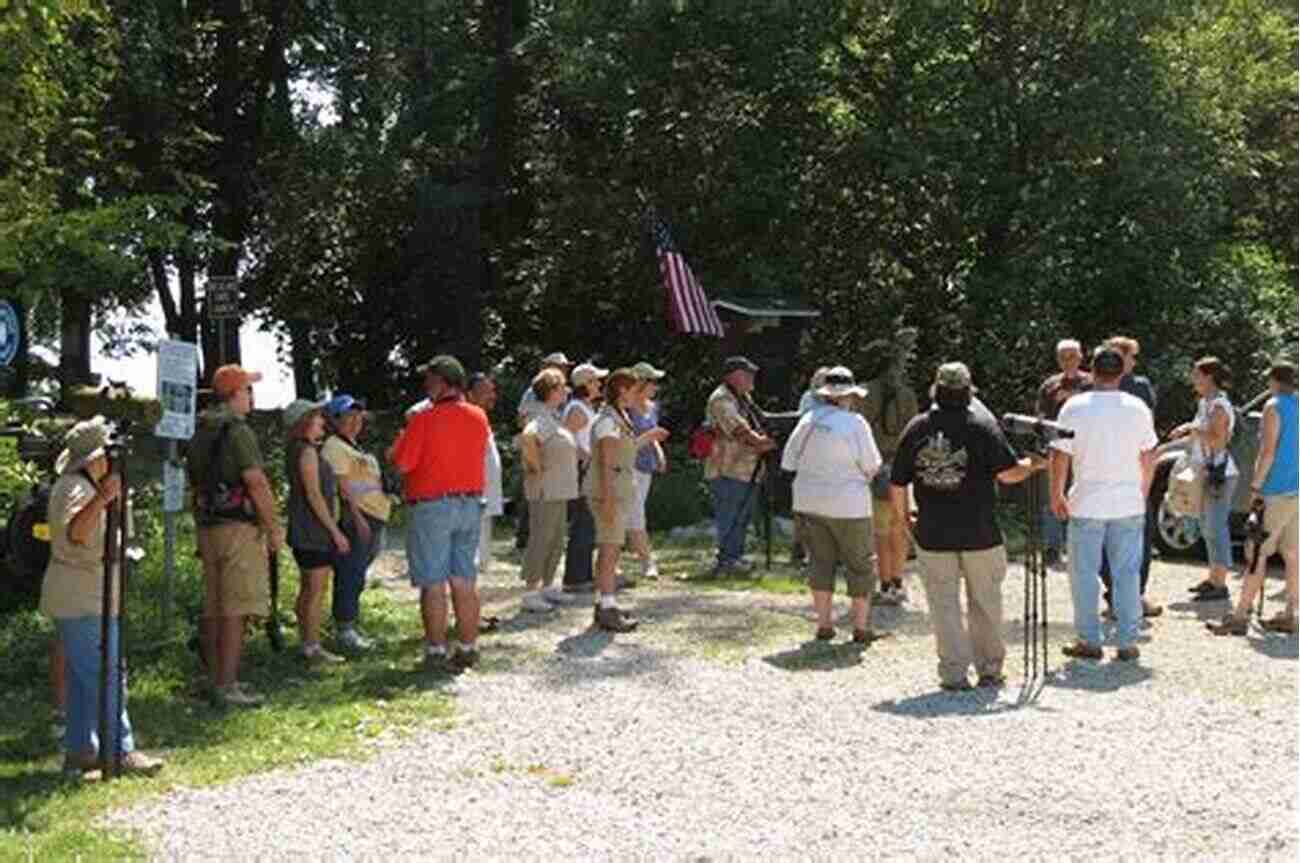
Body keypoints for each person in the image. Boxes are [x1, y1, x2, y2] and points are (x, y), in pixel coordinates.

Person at [891, 363, 1045, 690]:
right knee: (986, 603)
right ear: (968, 390)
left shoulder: (916, 428)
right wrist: (1033, 465)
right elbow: (1008, 474)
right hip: (980, 533)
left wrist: (904, 518)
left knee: (943, 606)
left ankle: (953, 673)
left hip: (932, 532)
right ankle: (989, 670)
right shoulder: (982, 427)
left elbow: (897, 481)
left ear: (935, 389)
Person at [40, 417, 163, 779]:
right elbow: (79, 532)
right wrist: (105, 498)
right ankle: (119, 750)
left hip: (89, 593)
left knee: (84, 678)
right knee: (106, 673)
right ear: (95, 456)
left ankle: (82, 750)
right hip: (81, 596)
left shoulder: (83, 486)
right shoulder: (74, 488)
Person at [1050, 347, 1157, 662]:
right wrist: (1143, 490)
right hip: (1128, 501)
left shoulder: (1074, 406)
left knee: (1083, 574)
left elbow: (1060, 454)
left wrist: (1056, 493)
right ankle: (1127, 640)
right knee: (1127, 573)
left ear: (1092, 371)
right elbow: (1149, 454)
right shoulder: (1137, 407)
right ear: (1122, 372)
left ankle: (1089, 639)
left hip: (1087, 501)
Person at [188, 364, 283, 707]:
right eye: (247, 390)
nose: (251, 396)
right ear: (234, 395)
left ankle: (213, 678)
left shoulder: (200, 430)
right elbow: (256, 482)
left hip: (208, 525)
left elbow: (194, 482)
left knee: (214, 605)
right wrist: (273, 529)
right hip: (238, 527)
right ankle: (227, 686)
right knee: (236, 608)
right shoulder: (238, 431)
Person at [389, 354, 490, 673]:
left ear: (442, 383)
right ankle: (468, 646)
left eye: (429, 379)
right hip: (470, 503)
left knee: (433, 582)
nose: (425, 385)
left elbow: (403, 463)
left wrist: (400, 441)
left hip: (433, 505)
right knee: (464, 579)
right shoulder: (479, 416)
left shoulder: (424, 419)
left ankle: (435, 650)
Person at [780, 367, 882, 643]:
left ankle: (824, 624)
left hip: (809, 501)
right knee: (859, 563)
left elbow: (788, 462)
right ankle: (860, 627)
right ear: (848, 395)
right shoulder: (856, 423)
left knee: (820, 562)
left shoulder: (807, 420)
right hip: (849, 504)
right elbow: (872, 465)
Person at [1208, 361, 1299, 635]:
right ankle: (1289, 614)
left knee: (1256, 553)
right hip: (1298, 490)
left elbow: (1268, 451)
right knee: (1293, 554)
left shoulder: (1273, 407)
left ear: (1274, 381)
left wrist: (1256, 487)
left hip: (1276, 489)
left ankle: (1239, 617)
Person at [586, 368, 669, 631]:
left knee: (609, 549)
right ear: (622, 391)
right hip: (610, 491)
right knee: (610, 551)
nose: (638, 395)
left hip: (618, 489)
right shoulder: (609, 421)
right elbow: (608, 463)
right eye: (634, 390)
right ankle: (608, 608)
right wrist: (609, 499)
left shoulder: (617, 418)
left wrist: (648, 438)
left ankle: (604, 603)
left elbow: (625, 450)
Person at [1163, 356, 1237, 602]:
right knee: (1207, 527)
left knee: (1216, 528)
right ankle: (1213, 578)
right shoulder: (1205, 403)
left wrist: (1192, 430)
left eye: (1196, 374)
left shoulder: (1218, 406)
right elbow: (1201, 436)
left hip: (1218, 475)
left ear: (1208, 377)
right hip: (1206, 472)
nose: (1192, 379)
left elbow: (1218, 440)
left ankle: (1220, 583)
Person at [321, 394, 389, 653]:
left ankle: (349, 625)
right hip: (356, 519)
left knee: (358, 573)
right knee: (350, 573)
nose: (355, 422)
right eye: (348, 417)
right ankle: (345, 630)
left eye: (358, 417)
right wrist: (357, 517)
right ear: (334, 420)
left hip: (373, 516)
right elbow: (343, 486)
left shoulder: (354, 446)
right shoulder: (334, 447)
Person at [1099, 335, 1161, 617]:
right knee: (1138, 537)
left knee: (1103, 537)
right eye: (1132, 356)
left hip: (1100, 472)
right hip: (1132, 473)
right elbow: (1148, 432)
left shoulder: (1090, 388)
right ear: (1122, 357)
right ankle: (1132, 596)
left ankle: (1118, 596)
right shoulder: (1139, 387)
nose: (1134, 362)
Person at [284, 399, 350, 664]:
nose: (323, 421)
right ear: (305, 422)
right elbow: (314, 495)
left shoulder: (297, 449)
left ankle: (306, 642)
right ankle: (312, 648)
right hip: (313, 531)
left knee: (307, 588)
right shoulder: (307, 452)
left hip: (302, 528)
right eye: (317, 417)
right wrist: (335, 531)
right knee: (315, 590)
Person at [859, 331, 920, 605]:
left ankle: (883, 584)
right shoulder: (907, 395)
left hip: (873, 466)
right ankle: (897, 581)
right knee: (900, 525)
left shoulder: (862, 394)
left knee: (879, 530)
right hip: (903, 467)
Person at [703, 356, 777, 576]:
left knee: (742, 516)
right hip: (726, 468)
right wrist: (762, 443)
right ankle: (727, 561)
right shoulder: (721, 399)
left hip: (744, 469)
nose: (752, 378)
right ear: (734, 376)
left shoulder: (743, 397)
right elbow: (738, 429)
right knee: (730, 516)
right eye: (747, 374)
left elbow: (759, 419)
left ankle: (735, 558)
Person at [519, 368, 580, 612]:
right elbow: (527, 438)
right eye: (562, 386)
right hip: (546, 489)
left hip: (559, 489)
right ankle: (531, 591)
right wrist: (535, 468)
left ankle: (547, 585)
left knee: (555, 539)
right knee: (541, 538)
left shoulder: (553, 415)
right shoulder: (541, 417)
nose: (566, 390)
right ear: (552, 391)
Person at [1035, 339, 1091, 566]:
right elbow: (1039, 418)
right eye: (1063, 357)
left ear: (1080, 358)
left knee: (1083, 496)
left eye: (1072, 356)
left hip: (1085, 449)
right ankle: (1051, 547)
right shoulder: (1049, 386)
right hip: (1057, 448)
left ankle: (1081, 546)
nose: (1068, 361)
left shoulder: (1092, 383)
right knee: (1053, 495)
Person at [515, 352, 574, 551]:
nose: (564, 369)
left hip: (551, 441)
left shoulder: (561, 390)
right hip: (539, 443)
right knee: (534, 491)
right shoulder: (533, 391)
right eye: (560, 366)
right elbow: (523, 419)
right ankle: (525, 538)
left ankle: (544, 539)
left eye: (565, 366)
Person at [561, 362, 607, 593]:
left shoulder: (587, 407)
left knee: (589, 524)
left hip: (589, 471)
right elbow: (566, 438)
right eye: (595, 380)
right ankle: (576, 578)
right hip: (582, 472)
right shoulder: (577, 408)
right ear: (585, 384)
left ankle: (583, 575)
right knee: (583, 523)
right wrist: (586, 456)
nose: (599, 384)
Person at [627, 360, 668, 581]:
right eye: (652, 381)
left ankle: (615, 562)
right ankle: (647, 562)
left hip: (646, 467)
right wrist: (652, 438)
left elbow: (653, 434)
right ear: (640, 383)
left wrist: (659, 453)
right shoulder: (625, 408)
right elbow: (627, 441)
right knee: (636, 515)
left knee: (634, 513)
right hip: (629, 466)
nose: (656, 386)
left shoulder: (652, 407)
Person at [466, 373, 504, 580]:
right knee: (472, 546)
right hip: (474, 492)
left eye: (492, 391)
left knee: (482, 543)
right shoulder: (467, 419)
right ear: (470, 394)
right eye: (485, 392)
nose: (492, 396)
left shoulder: (482, 418)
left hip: (486, 492)